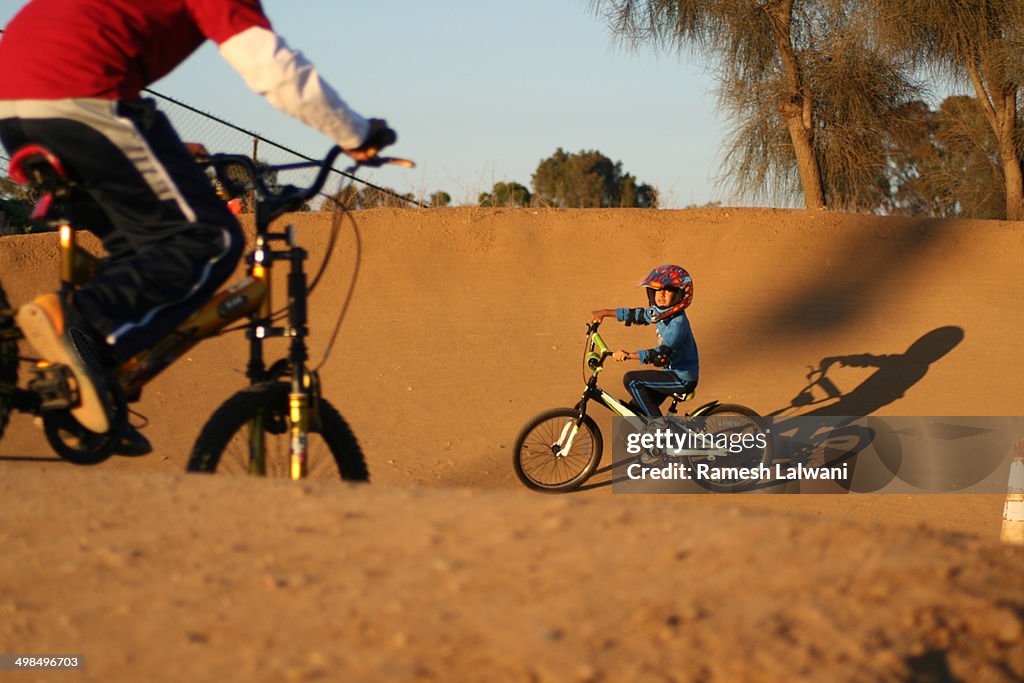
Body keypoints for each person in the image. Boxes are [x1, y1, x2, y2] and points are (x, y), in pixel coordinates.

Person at [0, 0, 395, 435]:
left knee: (140, 248)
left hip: (15, 104)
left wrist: (166, 153)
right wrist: (354, 132)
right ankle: (82, 323)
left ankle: (90, 381)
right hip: (79, 94)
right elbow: (272, 68)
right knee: (207, 239)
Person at [590, 265, 699, 417]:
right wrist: (604, 313)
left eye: (667, 290)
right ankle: (660, 436)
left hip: (681, 379)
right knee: (635, 413)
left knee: (631, 380)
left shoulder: (678, 324)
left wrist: (628, 355)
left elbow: (659, 354)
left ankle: (659, 427)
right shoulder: (661, 313)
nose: (660, 295)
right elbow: (637, 315)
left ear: (679, 294)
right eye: (656, 291)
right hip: (669, 373)